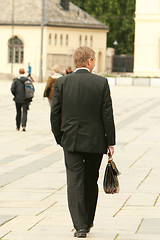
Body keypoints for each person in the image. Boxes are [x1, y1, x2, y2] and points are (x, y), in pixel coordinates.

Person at [50, 46, 116, 238]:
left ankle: (80, 227)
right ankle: (88, 220)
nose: (94, 64)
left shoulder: (62, 82)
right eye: (94, 61)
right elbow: (107, 115)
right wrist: (110, 142)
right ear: (89, 61)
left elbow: (55, 113)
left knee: (74, 182)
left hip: (70, 140)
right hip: (95, 142)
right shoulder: (101, 83)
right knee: (90, 180)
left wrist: (59, 138)